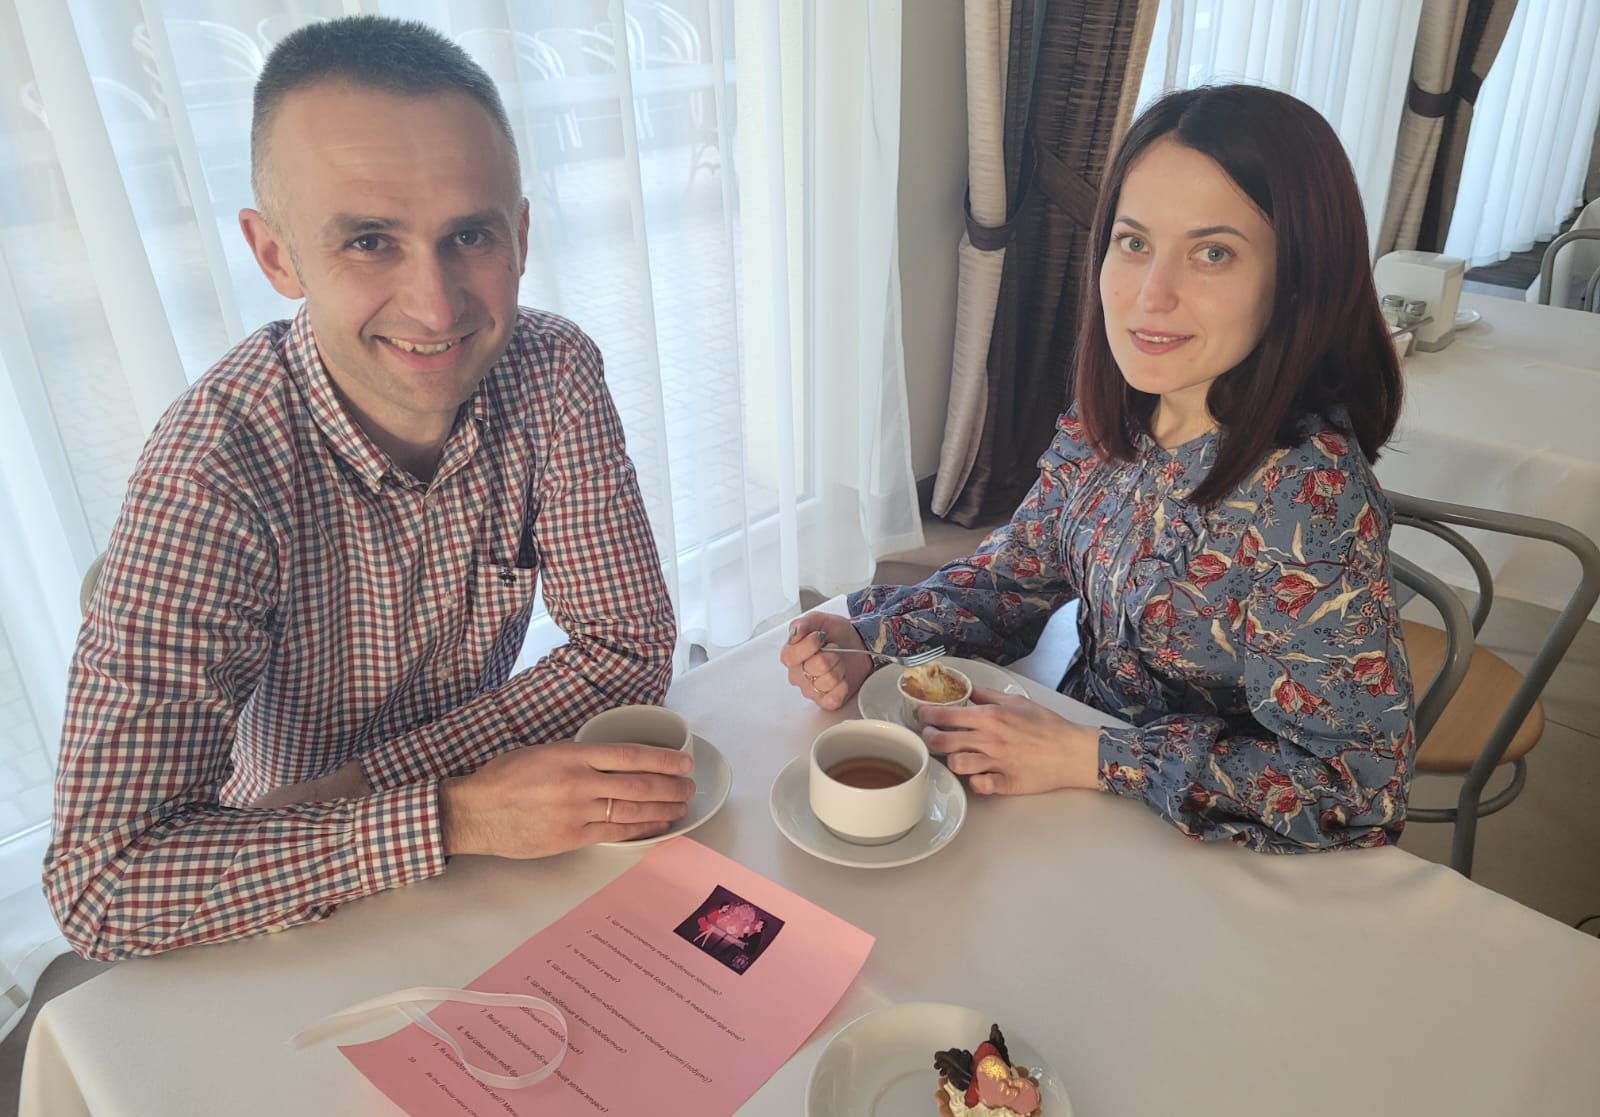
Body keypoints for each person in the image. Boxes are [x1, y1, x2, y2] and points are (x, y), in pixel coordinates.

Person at [46, 16, 693, 961]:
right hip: (289, 887)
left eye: (468, 235)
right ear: (276, 256)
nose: (436, 306)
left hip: (404, 837)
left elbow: (628, 647)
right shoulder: (212, 473)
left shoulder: (554, 371)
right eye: (368, 241)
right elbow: (103, 886)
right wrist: (453, 814)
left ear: (519, 236)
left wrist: (379, 795)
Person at [781, 84, 1415, 853]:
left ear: (1300, 278)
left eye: (1213, 253)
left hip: (1202, 849)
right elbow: (1013, 581)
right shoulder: (1111, 419)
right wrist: (871, 639)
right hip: (1067, 798)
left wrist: (1090, 756)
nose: (1151, 296)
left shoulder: (1309, 497)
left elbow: (1355, 788)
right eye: (1134, 242)